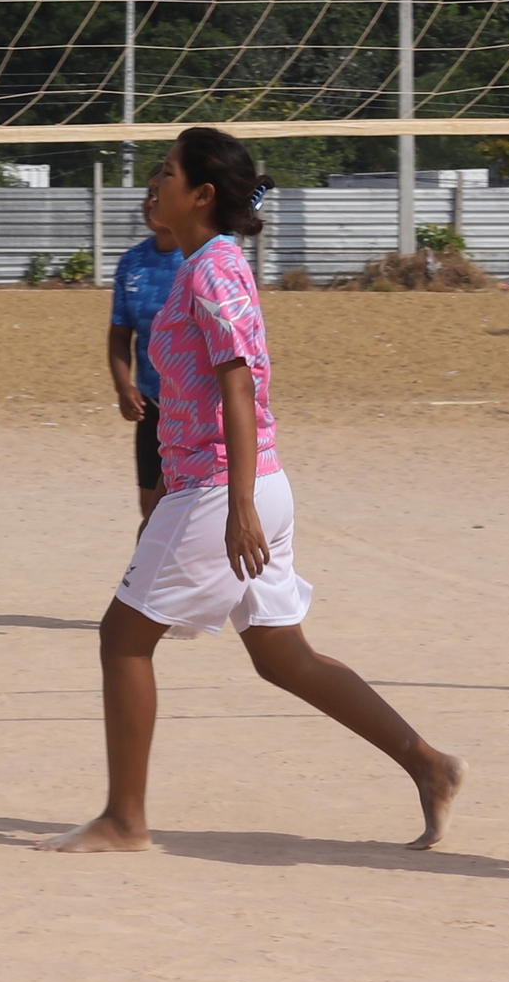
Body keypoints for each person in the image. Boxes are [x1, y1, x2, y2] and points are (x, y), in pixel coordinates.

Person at [42, 127, 461, 856]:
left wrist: (235, 506)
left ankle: (124, 820)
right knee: (282, 657)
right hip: (239, 482)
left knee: (122, 638)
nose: (154, 182)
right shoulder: (202, 264)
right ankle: (429, 765)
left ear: (201, 195)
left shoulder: (213, 270)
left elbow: (240, 386)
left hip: (222, 488)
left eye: (167, 173)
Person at [107, 173, 184, 523]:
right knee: (150, 513)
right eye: (147, 195)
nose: (150, 202)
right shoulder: (132, 263)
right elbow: (121, 333)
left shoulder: (200, 261)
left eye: (158, 193)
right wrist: (124, 387)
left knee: (181, 509)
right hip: (151, 406)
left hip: (192, 408)